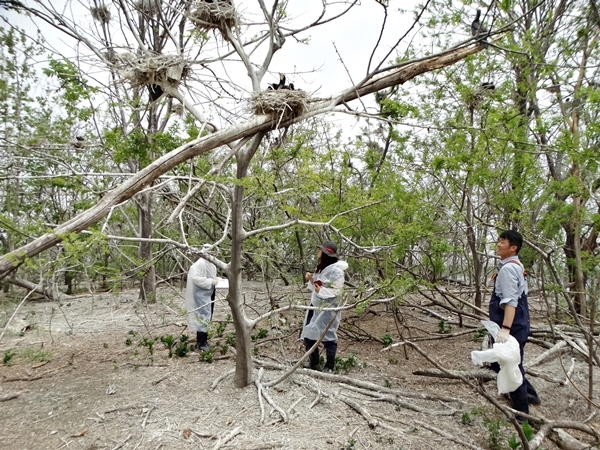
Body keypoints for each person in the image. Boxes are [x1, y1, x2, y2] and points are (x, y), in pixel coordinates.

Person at [489, 230, 541, 421]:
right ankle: (530, 394)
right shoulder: (515, 265)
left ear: (513, 248)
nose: (499, 244)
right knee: (498, 361)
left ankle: (521, 413)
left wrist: (505, 329)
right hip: (518, 320)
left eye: (503, 241)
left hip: (513, 323)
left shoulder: (509, 269)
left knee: (510, 364)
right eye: (499, 240)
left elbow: (511, 302)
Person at [301, 240, 348, 373]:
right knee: (309, 334)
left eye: (320, 250)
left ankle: (329, 366)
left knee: (328, 336)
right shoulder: (322, 267)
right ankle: (314, 363)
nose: (318, 252)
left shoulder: (337, 271)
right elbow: (317, 285)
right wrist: (311, 279)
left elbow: (336, 291)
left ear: (326, 253)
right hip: (316, 306)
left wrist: (319, 291)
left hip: (328, 309)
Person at [185, 244, 218, 351]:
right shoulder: (199, 264)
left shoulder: (212, 264)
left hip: (209, 292)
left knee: (208, 315)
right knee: (202, 316)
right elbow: (195, 278)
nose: (214, 255)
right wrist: (210, 281)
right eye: (212, 253)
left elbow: (211, 276)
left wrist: (217, 280)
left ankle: (204, 339)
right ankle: (201, 343)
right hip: (200, 294)